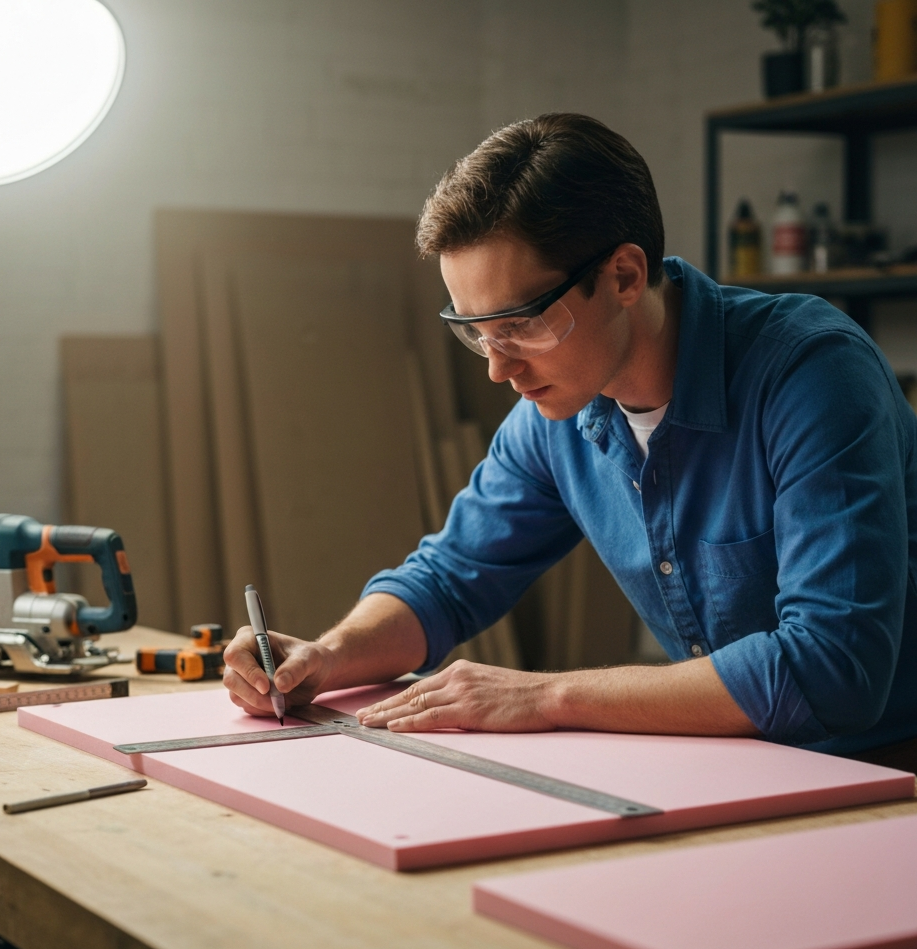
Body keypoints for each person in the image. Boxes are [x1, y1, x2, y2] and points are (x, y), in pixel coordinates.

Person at [223, 112, 917, 763]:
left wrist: (544, 696)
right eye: (475, 333)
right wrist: (328, 655)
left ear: (623, 276)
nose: (498, 367)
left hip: (890, 772)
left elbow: (834, 670)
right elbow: (448, 581)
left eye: (521, 325)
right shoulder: (556, 416)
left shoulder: (811, 375)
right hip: (749, 768)